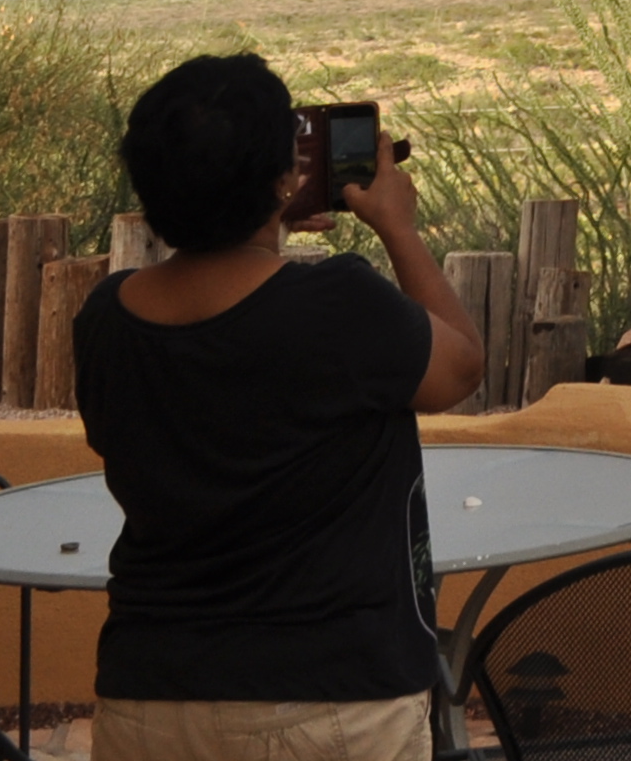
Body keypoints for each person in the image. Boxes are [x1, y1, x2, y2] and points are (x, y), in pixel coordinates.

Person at [71, 53, 488, 761]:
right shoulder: (338, 304)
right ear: (283, 177)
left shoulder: (106, 319)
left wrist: (255, 217)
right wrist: (399, 229)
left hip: (148, 695)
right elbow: (461, 366)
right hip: (328, 698)